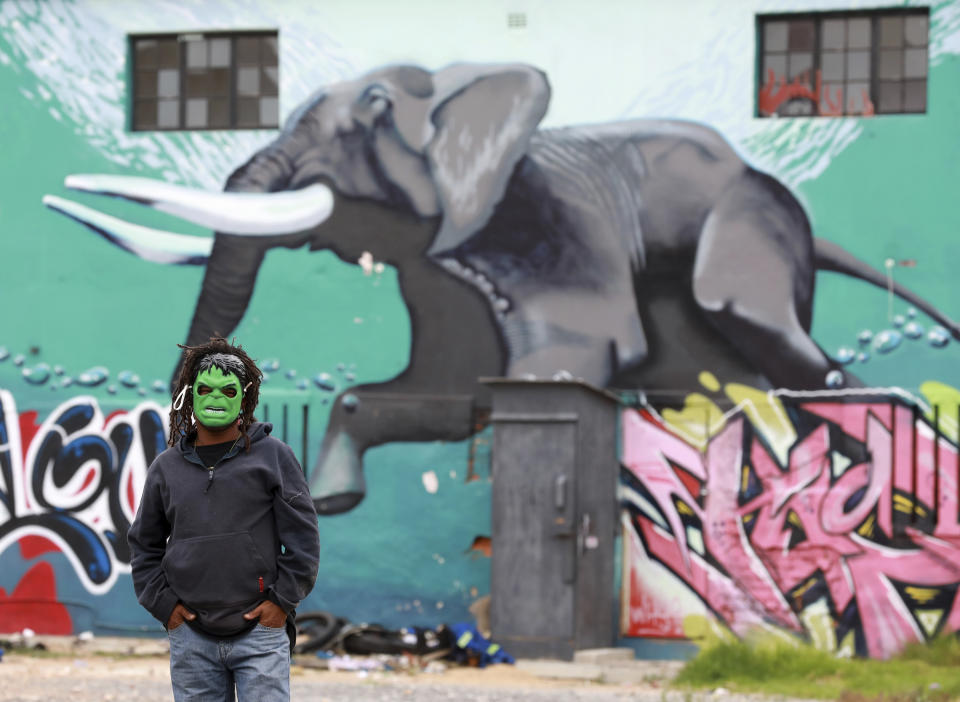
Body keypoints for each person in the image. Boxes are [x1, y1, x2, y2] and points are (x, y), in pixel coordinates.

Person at [128, 337, 320, 702]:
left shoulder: (274, 457)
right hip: (191, 636)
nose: (216, 398)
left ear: (245, 397)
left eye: (227, 390)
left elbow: (303, 539)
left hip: (260, 633)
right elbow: (143, 545)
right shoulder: (166, 468)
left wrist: (281, 603)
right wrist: (166, 608)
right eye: (205, 389)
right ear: (189, 394)